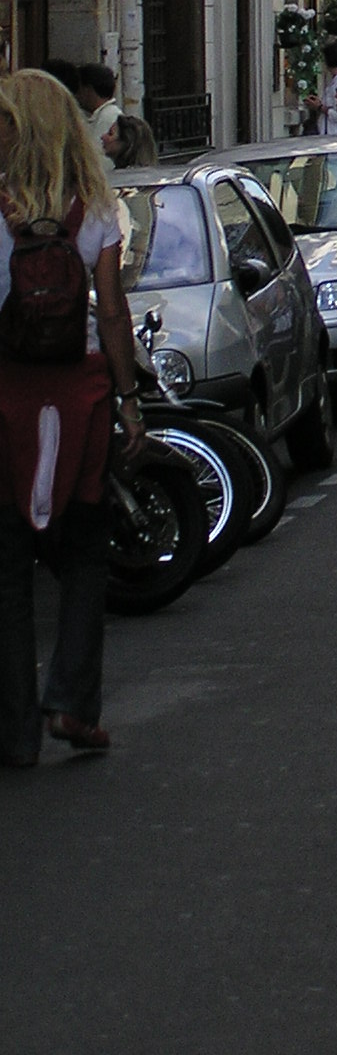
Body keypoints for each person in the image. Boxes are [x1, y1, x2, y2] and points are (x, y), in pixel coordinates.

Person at [0, 68, 144, 762]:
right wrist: (128, 397)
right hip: (80, 396)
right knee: (84, 556)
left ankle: (14, 730)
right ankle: (72, 701)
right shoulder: (96, 206)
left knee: (6, 568)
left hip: (6, 396)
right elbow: (111, 311)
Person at [76, 63, 121, 147]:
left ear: (87, 90)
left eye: (78, 89)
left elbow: (96, 153)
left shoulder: (108, 117)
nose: (76, 95)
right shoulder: (99, 115)